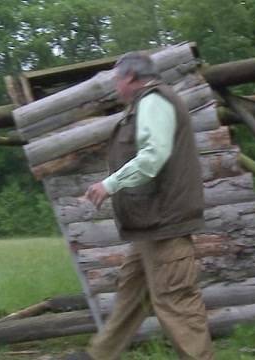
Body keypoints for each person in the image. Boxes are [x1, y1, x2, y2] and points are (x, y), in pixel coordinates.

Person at [69, 52, 214, 360]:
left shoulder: (154, 101)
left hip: (165, 225)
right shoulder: (145, 104)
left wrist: (108, 185)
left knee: (177, 305)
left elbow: (152, 157)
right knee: (131, 295)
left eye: (117, 81)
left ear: (132, 78)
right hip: (151, 226)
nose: (115, 88)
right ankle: (98, 355)